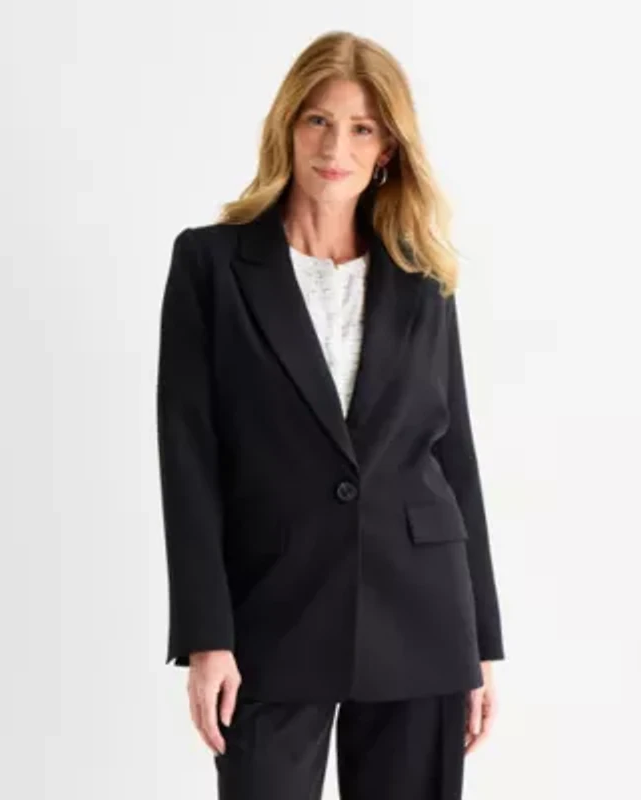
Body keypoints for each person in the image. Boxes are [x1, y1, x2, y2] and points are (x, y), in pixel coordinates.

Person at [156, 29, 505, 800]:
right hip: (270, 608)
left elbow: (454, 457)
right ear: (287, 125)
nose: (334, 147)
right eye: (317, 119)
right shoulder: (211, 264)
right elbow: (188, 458)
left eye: (361, 128)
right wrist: (207, 637)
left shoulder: (421, 275)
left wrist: (480, 642)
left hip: (421, 610)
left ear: (387, 149)